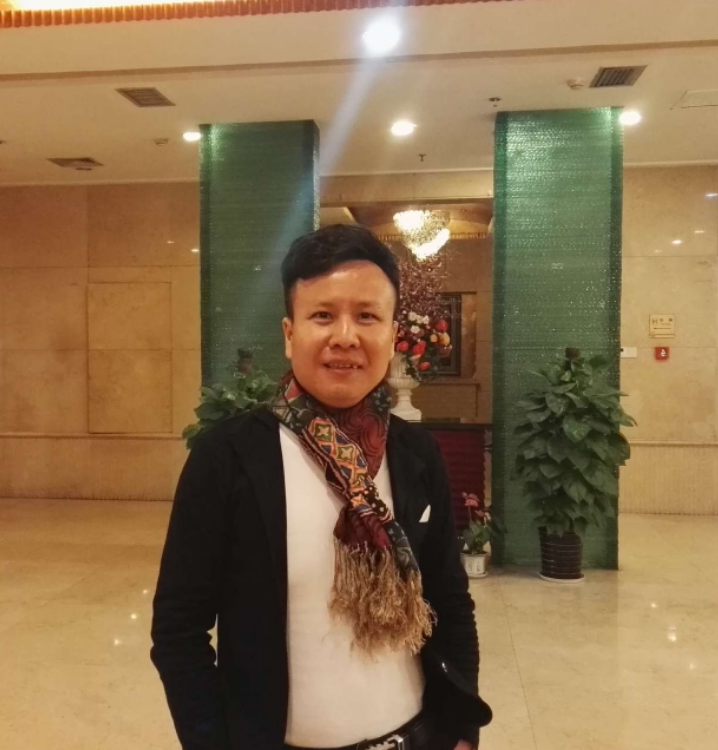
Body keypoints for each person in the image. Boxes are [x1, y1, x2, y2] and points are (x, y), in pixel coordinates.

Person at [151, 224, 492, 750]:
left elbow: (449, 598)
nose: (345, 337)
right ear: (290, 334)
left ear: (392, 334)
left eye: (367, 316)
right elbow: (179, 631)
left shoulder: (416, 453)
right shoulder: (228, 458)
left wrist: (462, 730)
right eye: (323, 315)